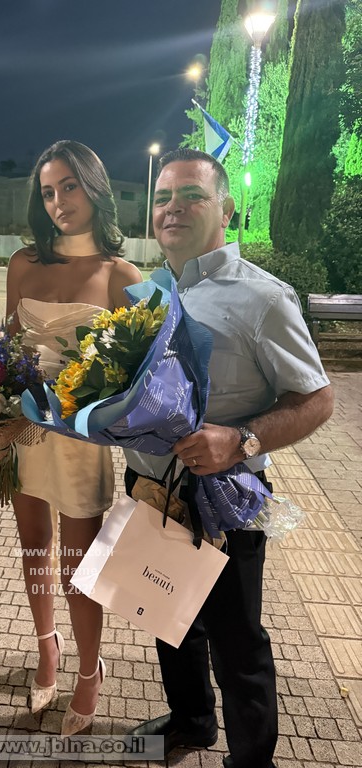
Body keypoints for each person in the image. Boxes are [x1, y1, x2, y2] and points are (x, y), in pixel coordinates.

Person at [126, 148, 334, 768]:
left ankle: (252, 759)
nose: (172, 208)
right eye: (163, 197)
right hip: (150, 488)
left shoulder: (262, 297)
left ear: (226, 209)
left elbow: (317, 399)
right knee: (168, 615)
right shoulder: (147, 292)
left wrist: (241, 440)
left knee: (237, 640)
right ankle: (192, 721)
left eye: (191, 194)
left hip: (225, 498)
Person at [5, 140, 142, 735]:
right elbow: (8, 346)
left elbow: (139, 376)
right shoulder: (22, 263)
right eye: (47, 191)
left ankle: (90, 670)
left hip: (82, 441)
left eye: (69, 186)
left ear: (94, 187)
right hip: (23, 432)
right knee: (34, 546)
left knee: (76, 567)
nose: (59, 201)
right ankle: (47, 648)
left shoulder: (121, 275)